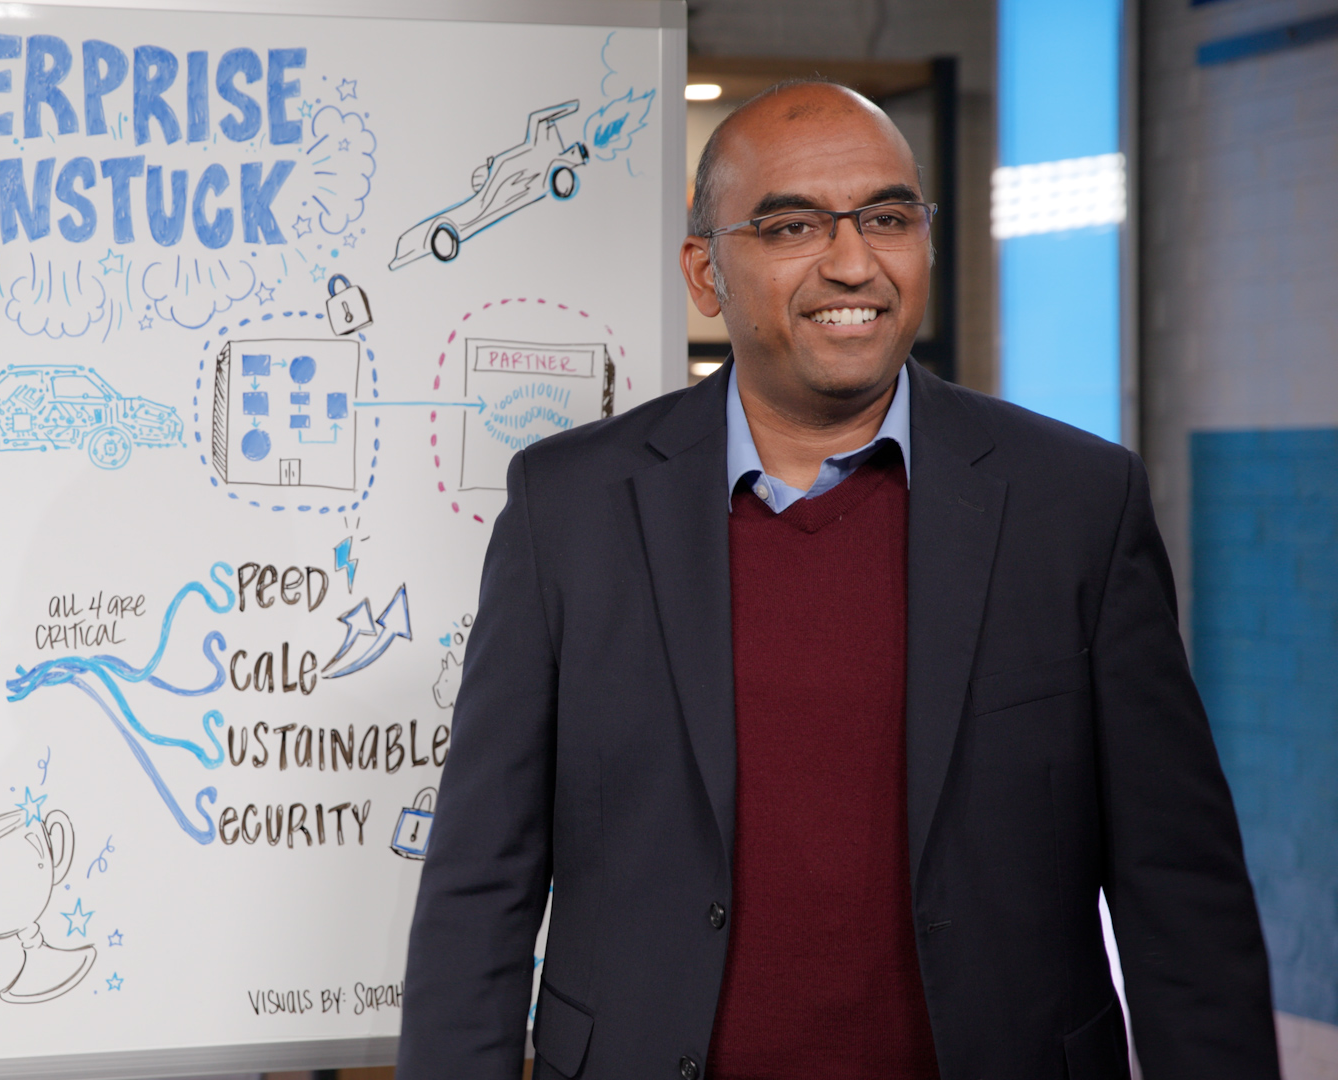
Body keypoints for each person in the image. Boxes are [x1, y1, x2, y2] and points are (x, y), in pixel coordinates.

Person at [395, 80, 1277, 1080]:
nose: (853, 262)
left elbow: (1180, 891)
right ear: (704, 272)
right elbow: (480, 888)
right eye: (791, 226)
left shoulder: (1074, 503)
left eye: (889, 217)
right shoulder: (570, 510)